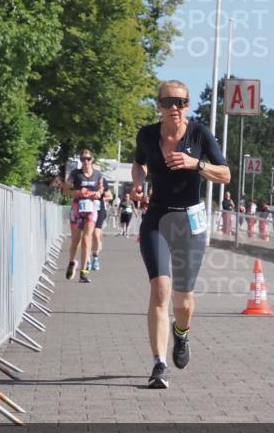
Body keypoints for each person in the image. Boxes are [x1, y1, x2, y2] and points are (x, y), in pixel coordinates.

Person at [131, 80, 230, 389]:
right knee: (160, 289)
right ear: (158, 105)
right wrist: (138, 182)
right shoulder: (147, 134)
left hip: (191, 220)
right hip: (157, 218)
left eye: (181, 102)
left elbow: (226, 174)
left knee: (183, 301)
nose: (174, 107)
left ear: (187, 105)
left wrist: (195, 163)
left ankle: (182, 334)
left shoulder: (199, 134)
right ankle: (159, 364)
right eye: (168, 102)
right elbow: (139, 163)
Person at [63, 149, 104, 283]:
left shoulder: (98, 174)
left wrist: (97, 193)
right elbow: (65, 190)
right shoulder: (75, 174)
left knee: (87, 240)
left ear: (92, 159)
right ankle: (71, 262)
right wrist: (78, 192)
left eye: (87, 159)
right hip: (77, 209)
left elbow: (101, 189)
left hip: (91, 209)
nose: (85, 161)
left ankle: (83, 272)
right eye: (82, 159)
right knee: (76, 241)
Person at [90, 177, 113, 270]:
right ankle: (87, 259)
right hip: (86, 208)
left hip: (99, 209)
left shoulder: (101, 179)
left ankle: (95, 258)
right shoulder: (82, 177)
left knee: (96, 233)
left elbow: (110, 196)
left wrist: (101, 196)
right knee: (87, 235)